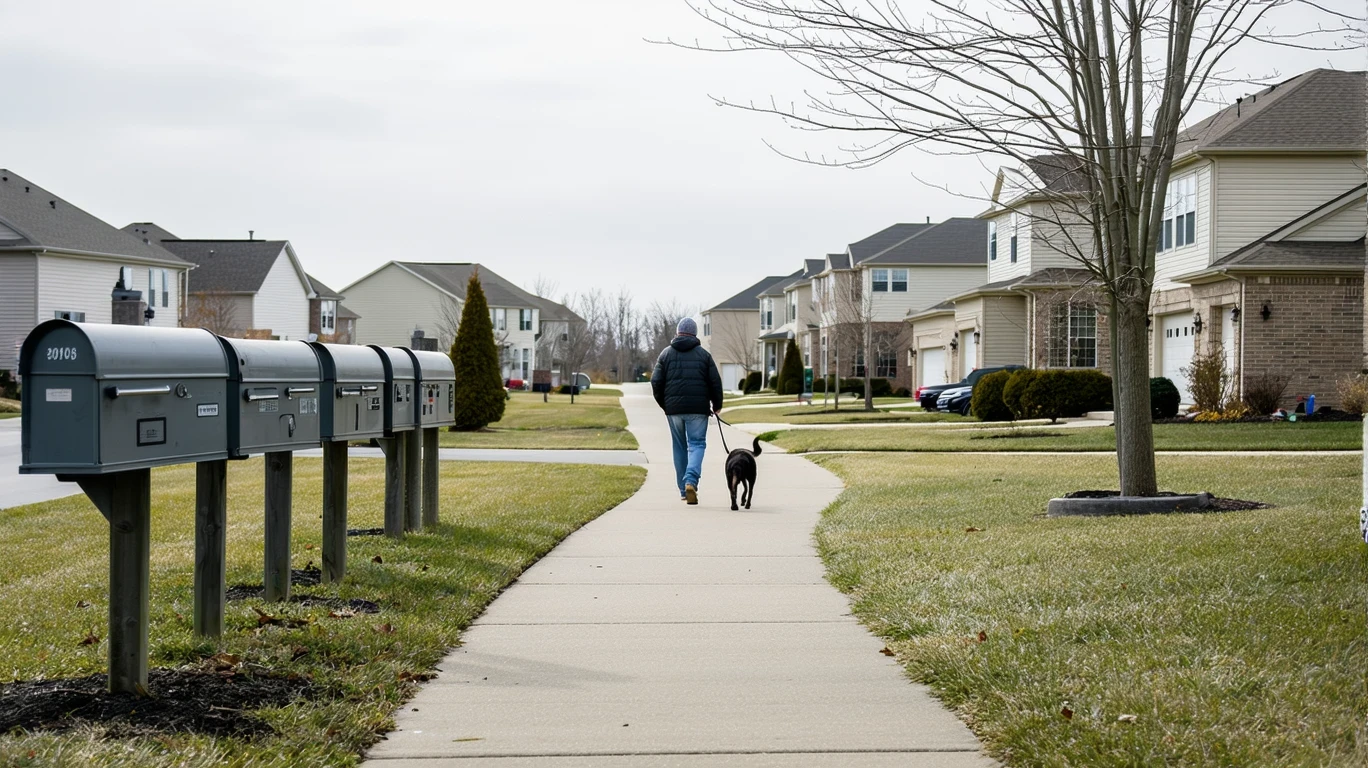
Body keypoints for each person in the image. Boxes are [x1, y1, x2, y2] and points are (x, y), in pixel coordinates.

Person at [651, 317, 723, 505]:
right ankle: (691, 480)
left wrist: (665, 404)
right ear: (695, 334)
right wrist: (717, 405)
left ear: (678, 332)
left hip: (673, 410)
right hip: (698, 410)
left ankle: (683, 490)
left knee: (679, 446)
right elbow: (715, 382)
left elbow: (655, 382)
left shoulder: (665, 354)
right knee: (697, 444)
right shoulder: (704, 355)